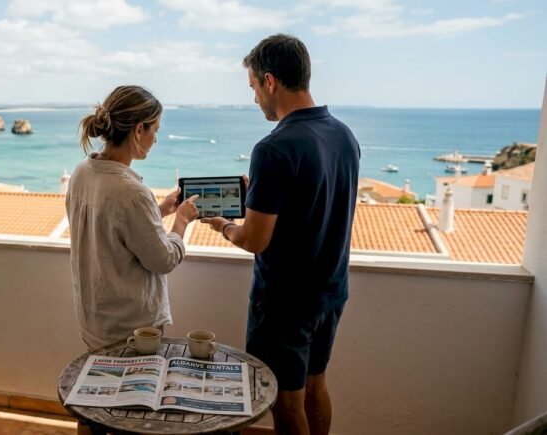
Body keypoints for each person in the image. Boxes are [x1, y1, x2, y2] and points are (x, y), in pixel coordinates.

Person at [201, 34, 360, 435]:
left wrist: (224, 226)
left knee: (285, 404)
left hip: (285, 304)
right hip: (331, 291)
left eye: (253, 87)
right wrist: (261, 189)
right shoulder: (343, 135)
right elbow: (311, 198)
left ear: (269, 81)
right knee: (315, 385)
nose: (255, 98)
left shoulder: (274, 148)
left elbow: (254, 240)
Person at [66, 85, 199, 351]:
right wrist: (181, 220)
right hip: (133, 331)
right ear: (139, 130)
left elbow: (109, 225)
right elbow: (163, 260)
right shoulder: (132, 192)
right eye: (155, 130)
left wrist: (158, 211)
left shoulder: (82, 172)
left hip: (95, 320)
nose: (155, 139)